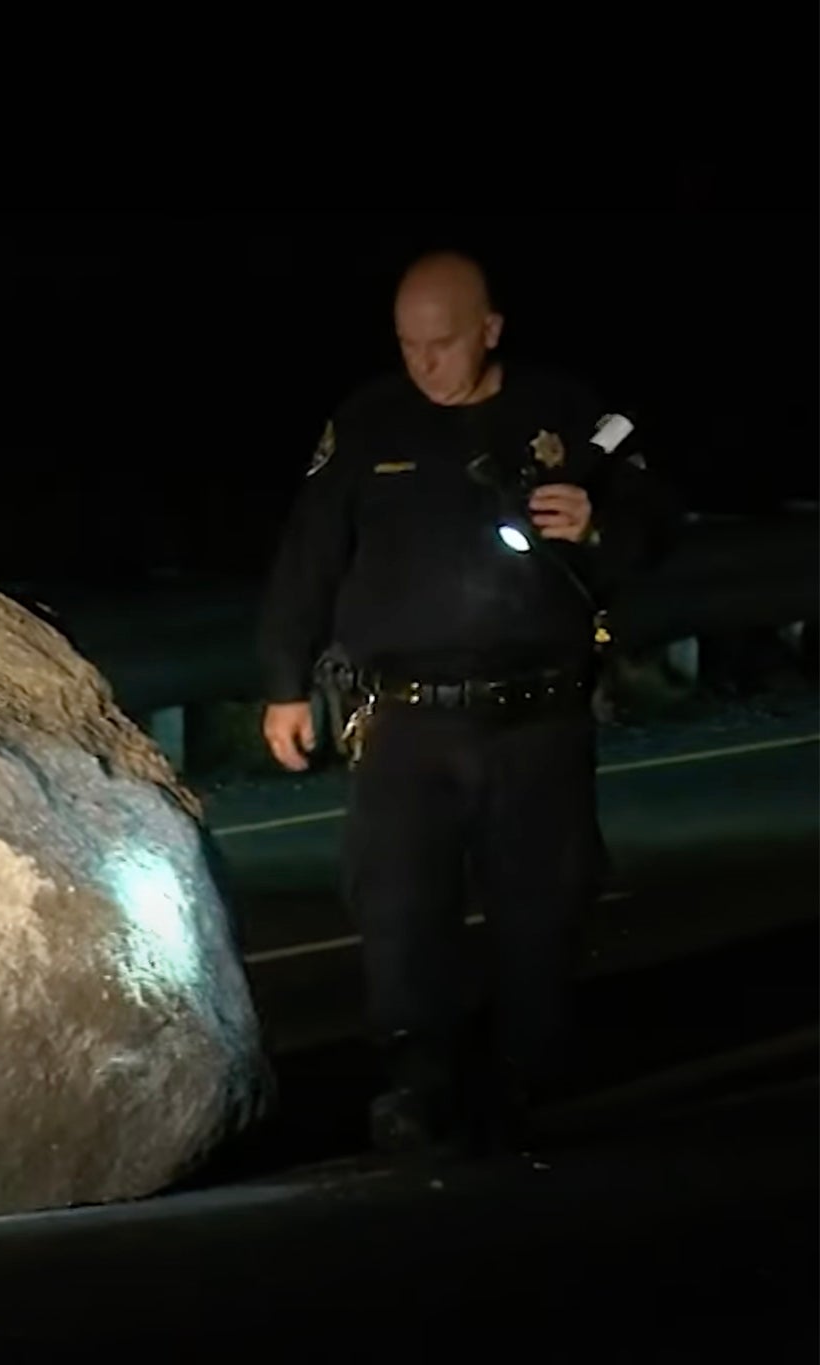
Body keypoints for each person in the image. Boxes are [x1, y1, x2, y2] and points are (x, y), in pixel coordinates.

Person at [255, 250, 681, 1157]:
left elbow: (654, 525)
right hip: (408, 719)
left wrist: (600, 527)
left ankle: (528, 1074)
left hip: (540, 715)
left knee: (543, 903)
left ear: (490, 328)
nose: (425, 364)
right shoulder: (370, 423)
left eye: (442, 343)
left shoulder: (567, 416)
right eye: (409, 345)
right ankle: (415, 1080)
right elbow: (309, 555)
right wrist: (285, 683)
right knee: (401, 907)